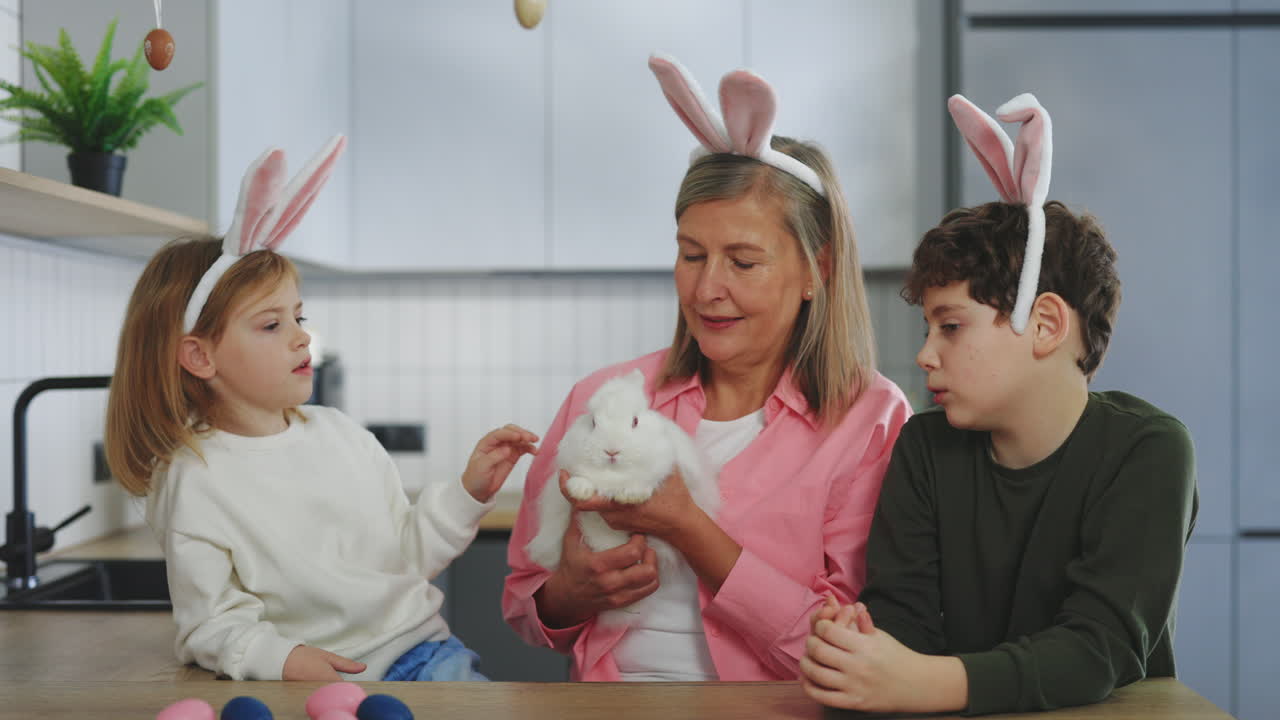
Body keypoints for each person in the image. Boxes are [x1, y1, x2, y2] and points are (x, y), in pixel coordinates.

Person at [502, 55, 911, 681]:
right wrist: (570, 593)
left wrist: (692, 531)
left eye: (743, 262)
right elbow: (526, 608)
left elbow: (855, 651)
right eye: (692, 255)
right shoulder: (606, 398)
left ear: (816, 269)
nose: (706, 289)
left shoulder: (872, 420)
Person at [800, 94, 1198, 715]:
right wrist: (862, 652)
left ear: (1044, 324)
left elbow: (1096, 649)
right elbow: (903, 625)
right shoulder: (924, 447)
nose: (926, 355)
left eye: (950, 327)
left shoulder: (1148, 450)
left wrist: (922, 683)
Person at [103, 136, 539, 682]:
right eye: (271, 324)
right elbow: (209, 625)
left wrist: (469, 491)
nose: (301, 340)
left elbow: (404, 560)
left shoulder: (342, 435)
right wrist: (284, 660)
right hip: (306, 684)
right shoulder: (195, 478)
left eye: (298, 318)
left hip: (422, 657)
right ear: (200, 355)